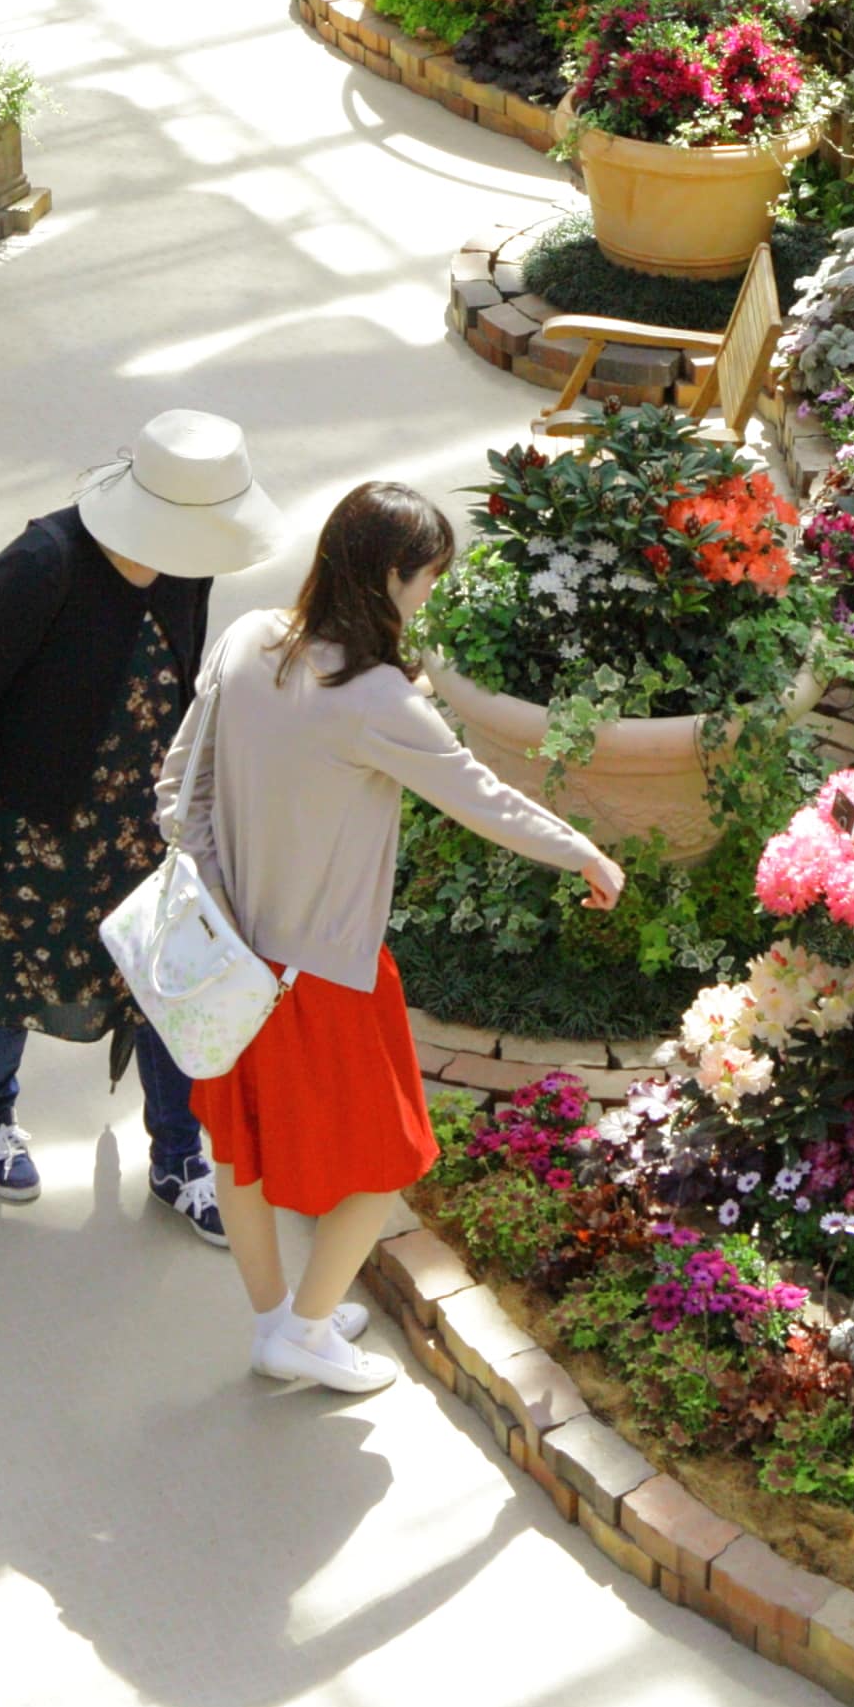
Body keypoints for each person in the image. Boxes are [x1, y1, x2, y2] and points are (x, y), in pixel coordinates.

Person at [166, 482, 622, 1395]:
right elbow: (481, 798)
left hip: (226, 957)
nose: (427, 598)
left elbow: (182, 782)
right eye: (424, 581)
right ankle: (300, 1329)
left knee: (237, 1148)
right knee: (393, 1159)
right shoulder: (371, 697)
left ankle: (278, 1322)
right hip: (323, 973)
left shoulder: (248, 637)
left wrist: (220, 900)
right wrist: (584, 857)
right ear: (386, 577)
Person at [0, 412, 272, 1236]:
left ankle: (177, 1157)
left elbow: (184, 686)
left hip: (148, 825)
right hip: (37, 825)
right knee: (10, 983)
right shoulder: (41, 565)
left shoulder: (188, 565)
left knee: (166, 993)